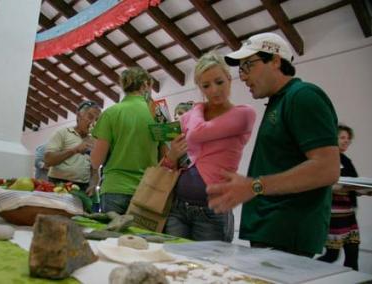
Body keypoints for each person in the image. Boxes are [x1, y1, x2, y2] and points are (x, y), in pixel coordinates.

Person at [207, 32, 340, 257]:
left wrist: (254, 186)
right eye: (240, 69)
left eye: (248, 66)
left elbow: (327, 169)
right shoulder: (279, 102)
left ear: (276, 61)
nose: (244, 77)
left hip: (287, 234)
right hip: (270, 232)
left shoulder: (303, 96)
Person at [161, 52, 256, 241]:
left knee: (210, 268)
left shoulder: (244, 114)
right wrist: (171, 156)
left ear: (229, 79)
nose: (214, 90)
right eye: (206, 85)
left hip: (213, 211)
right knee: (173, 266)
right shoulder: (191, 117)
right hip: (178, 208)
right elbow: (169, 154)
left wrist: (196, 108)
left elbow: (196, 133)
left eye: (219, 82)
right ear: (200, 87)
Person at [90, 67, 163, 214]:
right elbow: (165, 156)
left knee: (114, 237)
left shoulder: (111, 113)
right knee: (142, 237)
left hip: (114, 188)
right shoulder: (158, 114)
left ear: (123, 86)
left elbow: (96, 161)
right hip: (147, 189)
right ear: (146, 85)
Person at [44, 100, 101, 210]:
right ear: (79, 115)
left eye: (97, 120)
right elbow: (48, 160)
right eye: (90, 117)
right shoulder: (62, 133)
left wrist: (94, 184)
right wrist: (75, 150)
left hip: (82, 188)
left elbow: (95, 170)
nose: (93, 122)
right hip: (58, 185)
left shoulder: (94, 141)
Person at [318, 124, 360, 270]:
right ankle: (306, 273)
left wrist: (364, 190)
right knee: (331, 256)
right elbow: (321, 184)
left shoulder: (346, 160)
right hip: (333, 216)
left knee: (353, 257)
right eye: (342, 137)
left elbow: (354, 184)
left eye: (348, 139)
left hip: (348, 215)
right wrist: (342, 187)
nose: (346, 141)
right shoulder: (324, 158)